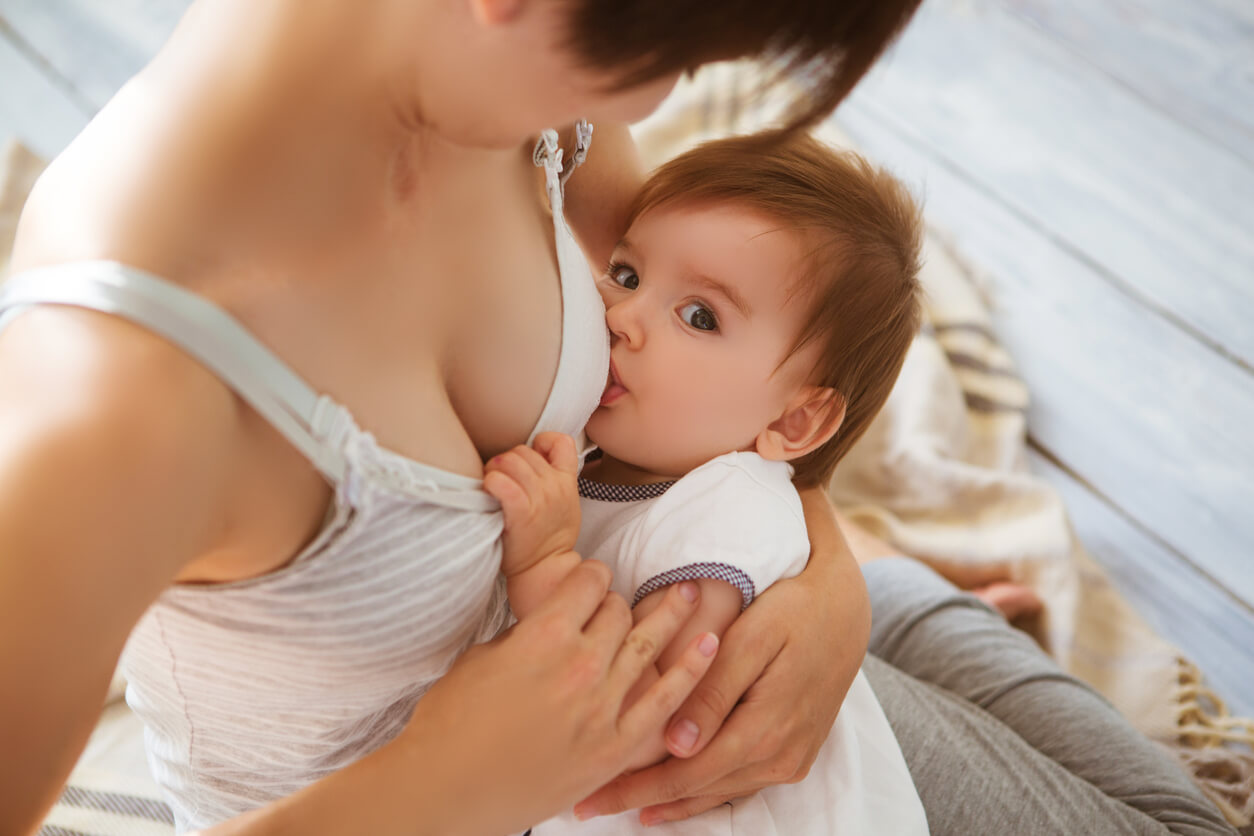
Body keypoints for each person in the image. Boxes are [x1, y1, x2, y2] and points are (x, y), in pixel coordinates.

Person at [0, 1, 927, 834]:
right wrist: (445, 779)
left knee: (1004, 714)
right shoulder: (111, 394)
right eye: (671, 55)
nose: (651, 102)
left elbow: (756, 388)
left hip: (768, 715)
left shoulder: (532, 103)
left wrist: (828, 580)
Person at [482, 133, 930, 834]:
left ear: (796, 419)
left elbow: (643, 728)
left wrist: (545, 565)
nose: (620, 317)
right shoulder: (618, 453)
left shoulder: (727, 518)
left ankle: (935, 606)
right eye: (626, 274)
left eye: (699, 317)